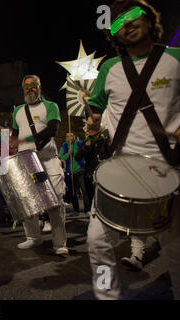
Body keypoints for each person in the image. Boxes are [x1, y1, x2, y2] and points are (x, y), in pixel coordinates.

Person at [85, 0, 180, 299]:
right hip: (120, 172)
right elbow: (97, 109)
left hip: (168, 170)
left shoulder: (176, 58)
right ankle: (106, 296)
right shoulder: (109, 69)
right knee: (97, 243)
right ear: (114, 35)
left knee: (176, 249)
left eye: (132, 16)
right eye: (116, 23)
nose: (125, 23)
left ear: (149, 19)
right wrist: (93, 122)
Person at [10, 75, 68, 255]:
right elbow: (15, 134)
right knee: (27, 200)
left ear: (39, 87)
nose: (30, 89)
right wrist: (11, 147)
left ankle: (59, 244)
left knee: (55, 201)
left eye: (33, 85)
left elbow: (52, 129)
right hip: (26, 160)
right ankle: (33, 238)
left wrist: (27, 139)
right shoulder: (17, 111)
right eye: (26, 86)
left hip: (48, 159)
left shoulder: (51, 106)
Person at [59, 132, 90, 215]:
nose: (69, 137)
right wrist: (68, 154)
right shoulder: (64, 146)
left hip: (80, 170)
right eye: (67, 136)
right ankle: (76, 210)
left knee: (84, 190)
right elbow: (61, 157)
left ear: (74, 136)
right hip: (71, 172)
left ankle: (87, 210)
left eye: (71, 135)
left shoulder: (79, 144)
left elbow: (85, 154)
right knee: (73, 192)